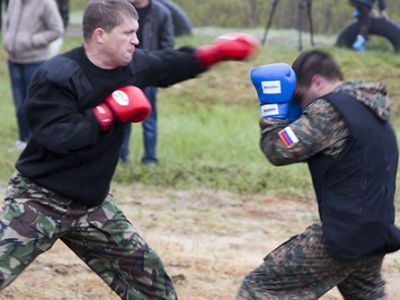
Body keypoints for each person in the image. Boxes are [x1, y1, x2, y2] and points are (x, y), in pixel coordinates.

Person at [0, 0, 260, 298]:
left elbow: (169, 64)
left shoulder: (132, 65)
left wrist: (213, 54)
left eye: (136, 32)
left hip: (91, 206)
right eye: (129, 32)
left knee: (153, 286)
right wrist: (106, 113)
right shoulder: (58, 75)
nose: (136, 40)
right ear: (100, 35)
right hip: (39, 201)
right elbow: (56, 136)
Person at [236, 50, 400, 299]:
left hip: (342, 236)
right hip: (374, 235)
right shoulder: (373, 109)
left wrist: (272, 111)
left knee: (260, 288)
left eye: (300, 96)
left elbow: (278, 150)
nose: (301, 105)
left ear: (317, 82)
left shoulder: (328, 110)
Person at [2, 0, 64, 151]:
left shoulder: (46, 3)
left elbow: (57, 30)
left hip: (35, 62)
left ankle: (37, 143)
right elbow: (7, 22)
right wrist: (7, 39)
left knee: (35, 104)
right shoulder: (13, 2)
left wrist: (31, 41)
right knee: (20, 105)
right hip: (14, 60)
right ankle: (23, 140)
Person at [120, 0, 175, 164]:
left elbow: (168, 44)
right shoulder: (123, 11)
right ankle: (121, 157)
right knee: (123, 118)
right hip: (125, 72)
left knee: (149, 120)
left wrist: (157, 67)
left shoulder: (161, 13)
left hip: (149, 74)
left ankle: (150, 158)